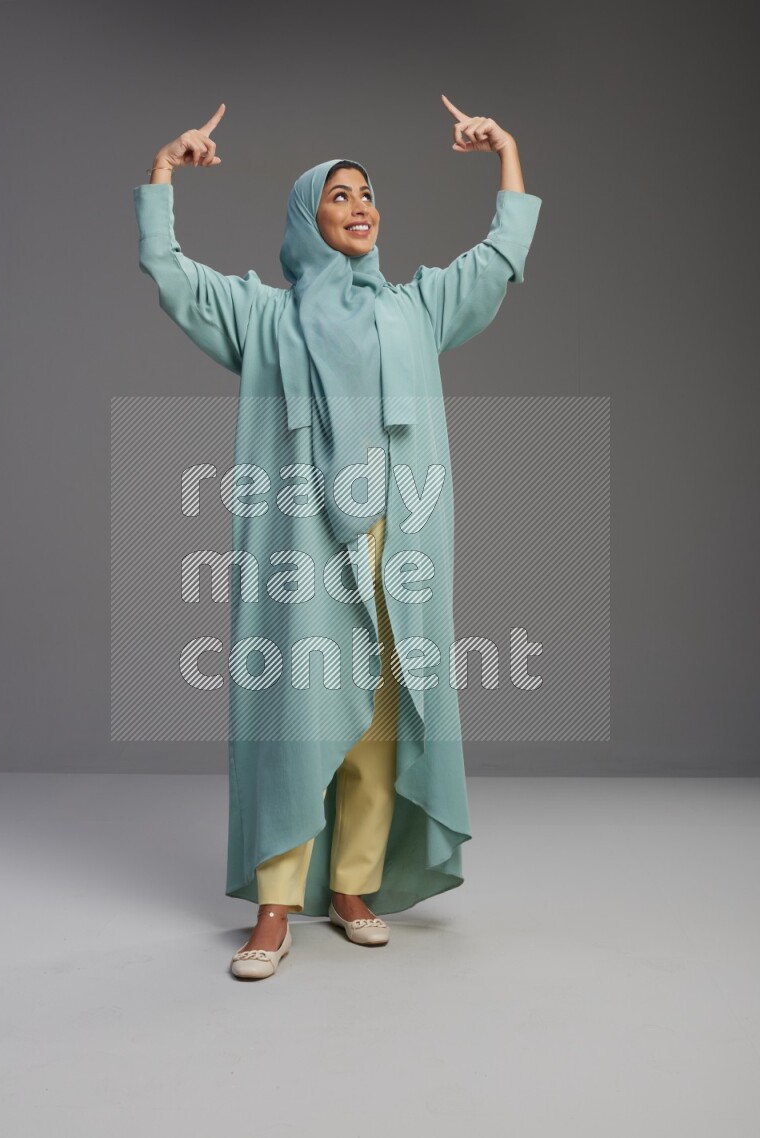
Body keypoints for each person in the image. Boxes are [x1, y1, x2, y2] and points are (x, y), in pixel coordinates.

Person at [133, 97, 542, 980]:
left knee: (381, 722)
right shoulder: (264, 317)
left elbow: (499, 257)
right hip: (304, 542)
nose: (361, 207)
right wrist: (163, 171)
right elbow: (168, 273)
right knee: (296, 714)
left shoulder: (414, 309)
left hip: (402, 539)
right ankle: (274, 908)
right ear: (306, 218)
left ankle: (355, 887)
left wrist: (505, 151)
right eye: (339, 196)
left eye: (368, 195)